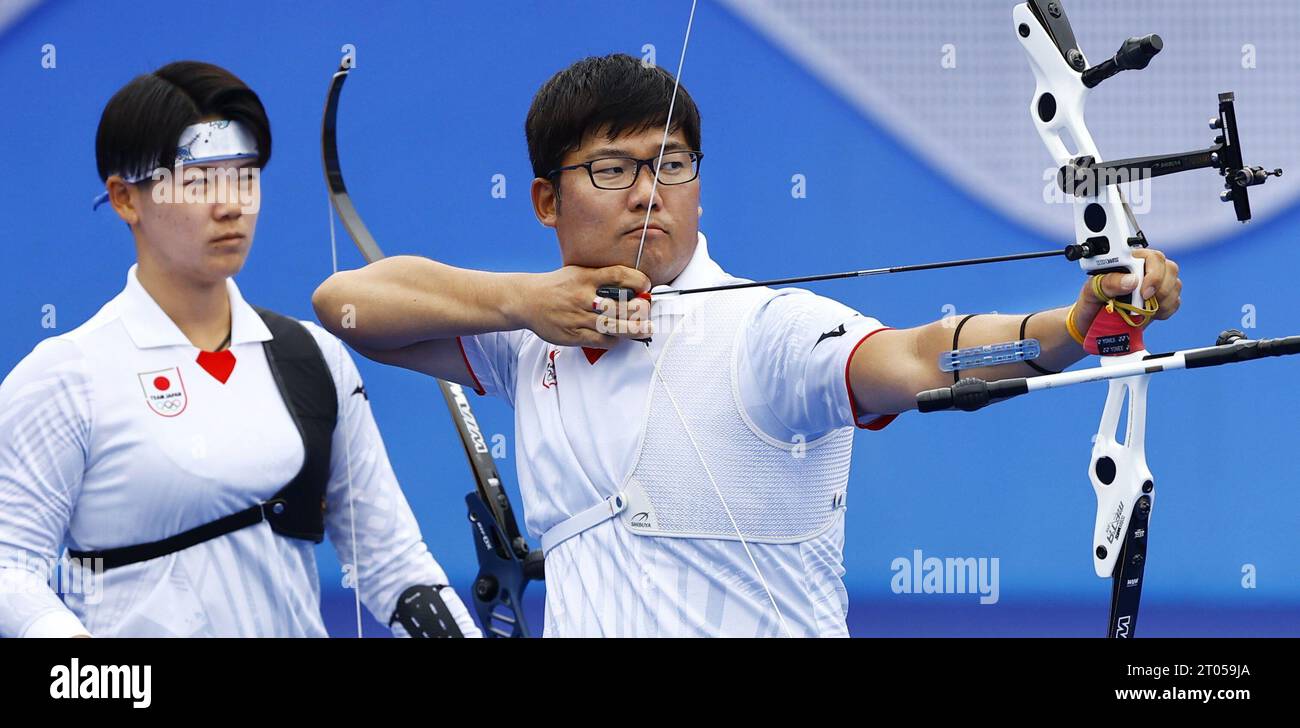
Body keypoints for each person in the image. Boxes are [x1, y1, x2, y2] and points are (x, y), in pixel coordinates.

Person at [311, 53, 1182, 637]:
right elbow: (345, 305)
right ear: (547, 200)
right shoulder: (526, 342)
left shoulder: (765, 334)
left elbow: (923, 358)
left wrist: (1071, 330)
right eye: (613, 169)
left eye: (673, 164)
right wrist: (524, 301)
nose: (649, 194)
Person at [0, 61, 478, 638]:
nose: (231, 206)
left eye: (245, 177)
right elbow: (10, 566)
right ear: (125, 198)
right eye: (197, 181)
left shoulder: (312, 359)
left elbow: (392, 564)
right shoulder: (67, 376)